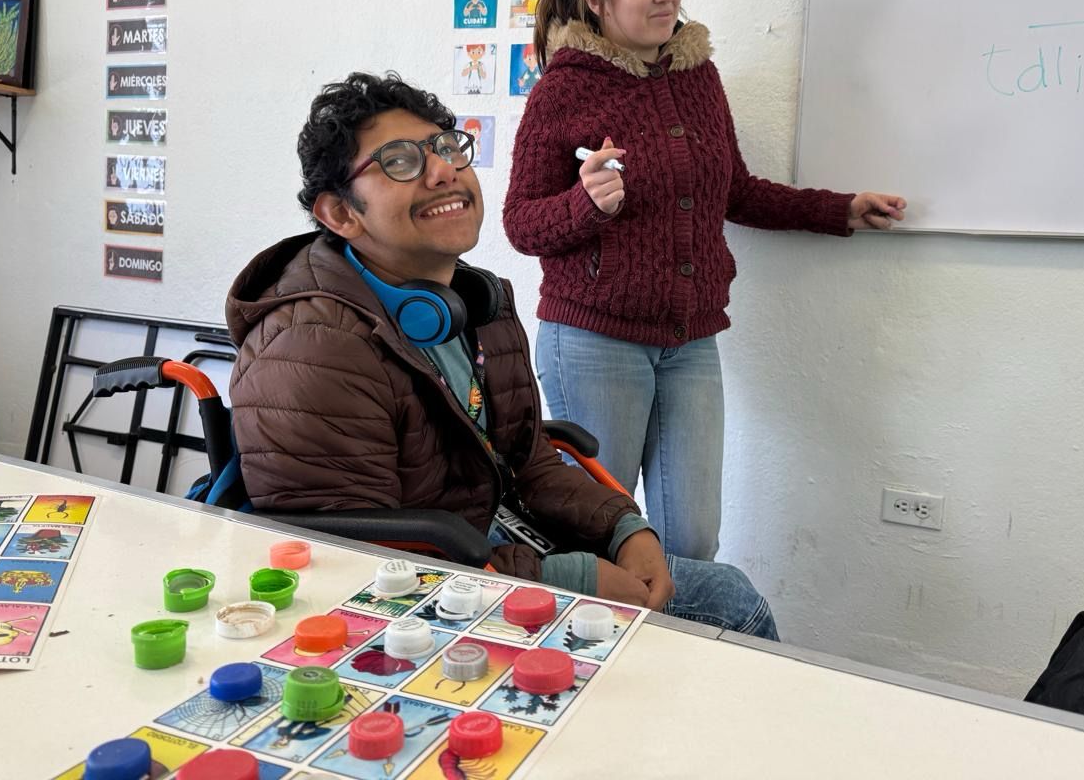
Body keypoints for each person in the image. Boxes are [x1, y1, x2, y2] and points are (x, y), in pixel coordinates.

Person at [225, 71, 778, 639]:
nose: (444, 170)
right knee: (732, 608)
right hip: (427, 606)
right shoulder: (312, 348)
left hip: (498, 550)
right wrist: (566, 578)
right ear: (342, 214)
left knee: (722, 589)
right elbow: (357, 566)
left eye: (446, 148)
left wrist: (623, 529)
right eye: (400, 161)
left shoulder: (477, 302)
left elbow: (529, 460)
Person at [502, 0, 906, 562]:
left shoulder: (698, 78)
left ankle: (675, 631)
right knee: (599, 538)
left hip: (689, 342)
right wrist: (585, 204)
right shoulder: (563, 90)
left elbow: (735, 191)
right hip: (594, 343)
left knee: (691, 541)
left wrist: (840, 211)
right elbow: (521, 223)